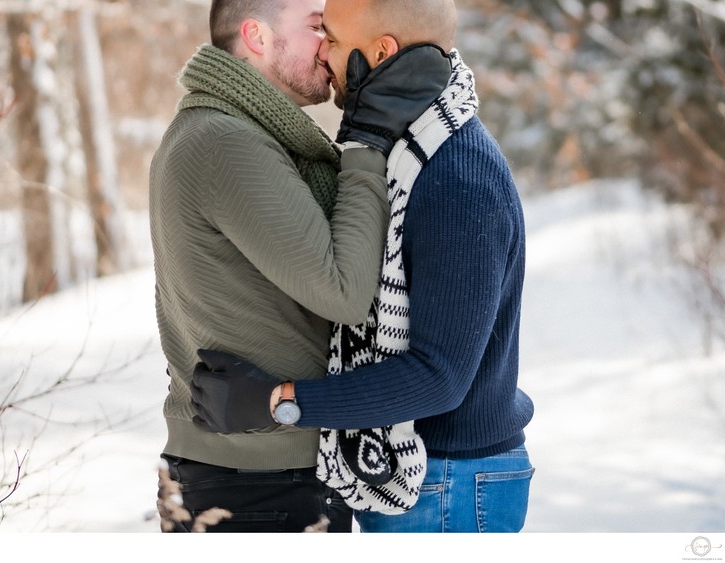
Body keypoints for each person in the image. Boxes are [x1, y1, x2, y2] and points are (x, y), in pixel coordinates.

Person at [191, 0, 536, 533]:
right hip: (413, 476)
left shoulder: (456, 173)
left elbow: (439, 377)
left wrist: (279, 402)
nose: (323, 54)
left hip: (450, 486)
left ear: (380, 52)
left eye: (330, 37)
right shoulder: (408, 150)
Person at [148, 0, 448, 532]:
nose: (329, 43)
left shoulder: (235, 134)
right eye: (316, 27)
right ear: (257, 37)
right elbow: (344, 291)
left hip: (254, 468)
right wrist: (367, 141)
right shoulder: (226, 143)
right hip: (257, 480)